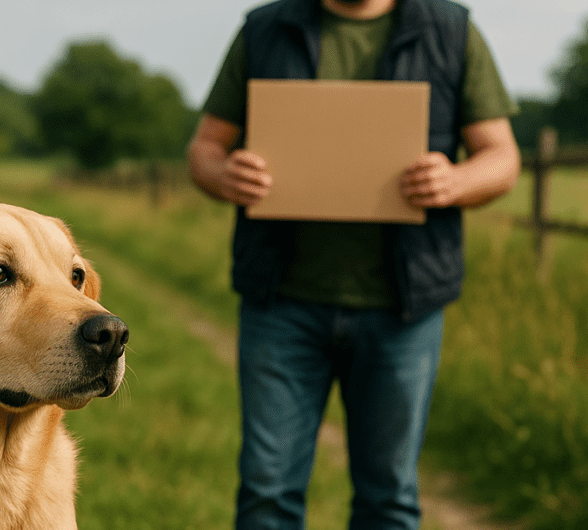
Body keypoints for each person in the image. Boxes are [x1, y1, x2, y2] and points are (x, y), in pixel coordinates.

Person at [186, 0, 520, 528]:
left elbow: (502, 156)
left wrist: (455, 181)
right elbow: (205, 147)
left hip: (404, 309)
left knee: (389, 497)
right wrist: (225, 173)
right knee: (266, 493)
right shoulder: (266, 28)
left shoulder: (451, 30)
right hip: (281, 303)